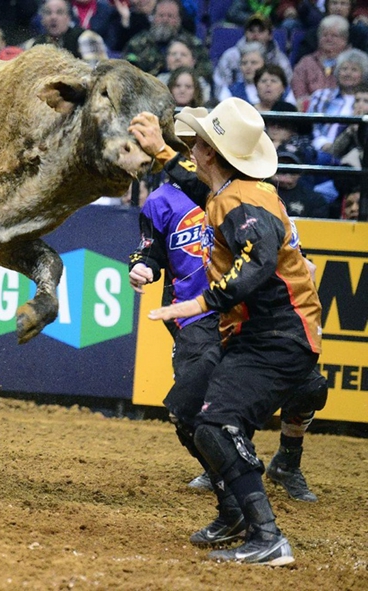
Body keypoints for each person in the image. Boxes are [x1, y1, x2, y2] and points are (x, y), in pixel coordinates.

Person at [129, 98, 325, 564]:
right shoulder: (231, 193)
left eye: (196, 143)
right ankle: (236, 511)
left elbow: (258, 261)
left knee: (216, 423)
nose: (190, 149)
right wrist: (162, 153)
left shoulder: (242, 200)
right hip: (261, 334)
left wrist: (203, 301)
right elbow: (197, 188)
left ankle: (267, 535)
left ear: (211, 153)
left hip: (276, 336)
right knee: (186, 409)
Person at [123, 0, 212, 81]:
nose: (165, 20)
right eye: (161, 15)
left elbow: (206, 73)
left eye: (170, 16)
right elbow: (126, 72)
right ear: (153, 18)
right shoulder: (137, 44)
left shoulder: (192, 45)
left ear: (179, 20)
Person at [213, 14, 293, 101]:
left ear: (270, 35)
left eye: (261, 31)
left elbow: (286, 85)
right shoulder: (230, 56)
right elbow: (220, 85)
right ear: (245, 33)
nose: (255, 35)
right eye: (251, 31)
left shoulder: (280, 60)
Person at [305, 48, 368, 152]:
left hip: (355, 150)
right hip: (320, 149)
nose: (348, 73)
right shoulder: (321, 96)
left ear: (363, 74)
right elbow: (312, 127)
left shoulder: (365, 99)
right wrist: (323, 144)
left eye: (354, 70)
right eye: (344, 69)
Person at [292, 15, 351, 108]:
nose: (328, 39)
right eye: (324, 35)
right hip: (310, 112)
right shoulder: (306, 62)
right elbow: (299, 94)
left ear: (344, 39)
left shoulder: (352, 63)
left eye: (334, 35)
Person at [273, 147, 332, 218]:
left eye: (291, 165)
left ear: (300, 172)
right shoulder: (259, 191)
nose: (285, 170)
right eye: (281, 163)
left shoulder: (314, 200)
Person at [23, 0, 91, 59]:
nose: (53, 17)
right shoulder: (34, 44)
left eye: (59, 12)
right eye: (48, 12)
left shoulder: (85, 38)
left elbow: (95, 71)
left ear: (68, 18)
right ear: (42, 19)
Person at [326, 81, 368, 167]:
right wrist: (350, 130)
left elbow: (363, 148)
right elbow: (333, 152)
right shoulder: (346, 123)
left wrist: (359, 130)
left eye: (366, 101)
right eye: (357, 100)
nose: (360, 105)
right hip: (345, 168)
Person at [157, 39, 212, 104]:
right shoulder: (159, 82)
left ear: (193, 61)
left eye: (183, 54)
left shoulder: (202, 84)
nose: (177, 58)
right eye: (173, 54)